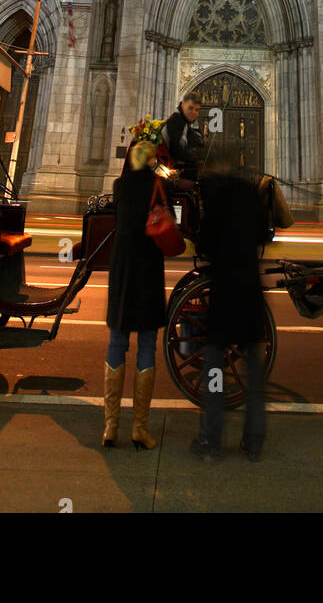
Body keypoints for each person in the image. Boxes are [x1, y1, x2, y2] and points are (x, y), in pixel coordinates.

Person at [191, 160, 270, 463]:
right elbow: (264, 233)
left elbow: (205, 242)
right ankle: (253, 443)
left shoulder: (217, 200)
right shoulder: (251, 194)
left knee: (213, 368)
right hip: (249, 295)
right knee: (254, 370)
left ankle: (211, 441)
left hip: (223, 297)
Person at [103, 139, 166, 450]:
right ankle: (139, 427)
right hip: (148, 270)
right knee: (146, 345)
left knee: (117, 339)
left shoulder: (119, 186)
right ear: (151, 161)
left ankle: (110, 426)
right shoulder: (157, 185)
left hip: (123, 269)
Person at [160, 91, 207, 180]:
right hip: (175, 176)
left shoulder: (189, 123)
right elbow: (178, 151)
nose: (193, 112)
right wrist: (198, 157)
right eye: (190, 108)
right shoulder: (176, 121)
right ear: (182, 105)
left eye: (197, 110)